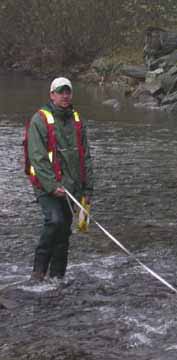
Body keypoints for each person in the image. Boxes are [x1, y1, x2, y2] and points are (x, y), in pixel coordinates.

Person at [24, 77, 94, 282]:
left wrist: (87, 190)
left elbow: (86, 157)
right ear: (52, 95)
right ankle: (38, 273)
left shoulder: (77, 120)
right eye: (60, 92)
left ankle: (57, 277)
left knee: (64, 231)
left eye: (67, 91)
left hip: (72, 186)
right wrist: (52, 186)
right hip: (45, 185)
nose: (65, 95)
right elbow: (37, 157)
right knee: (55, 221)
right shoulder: (39, 120)